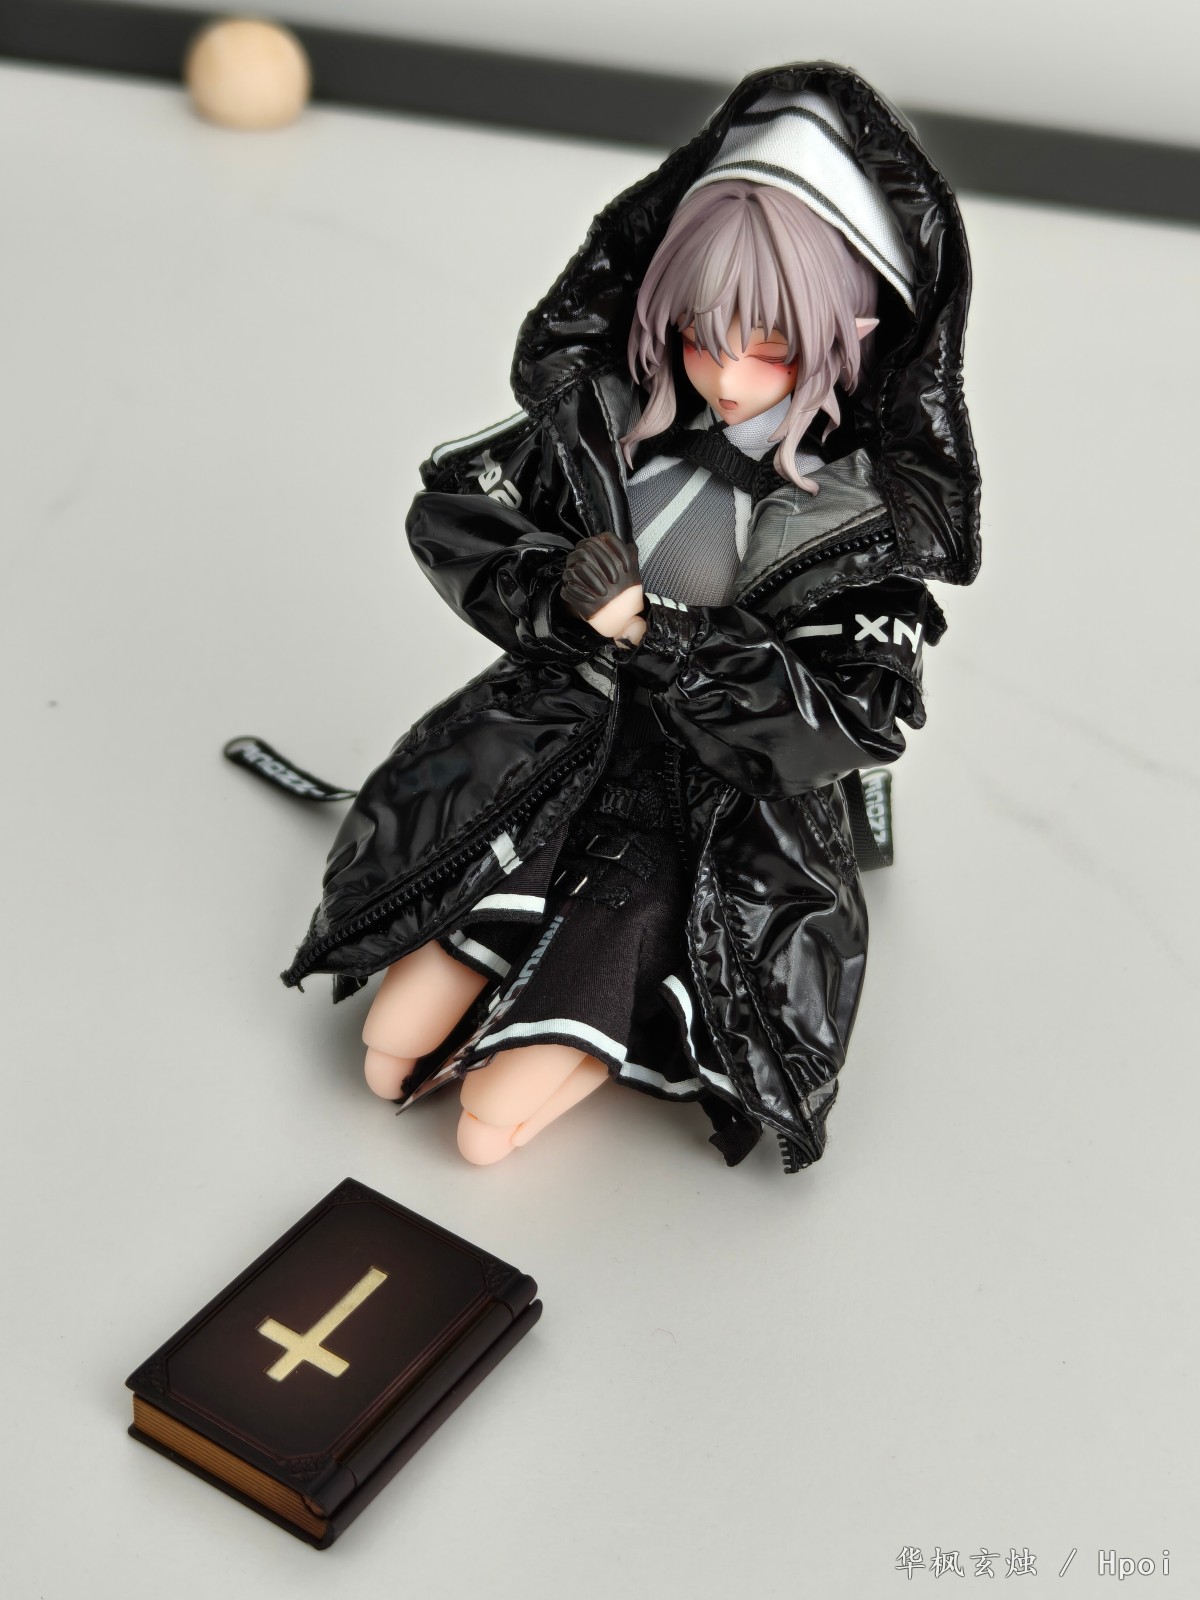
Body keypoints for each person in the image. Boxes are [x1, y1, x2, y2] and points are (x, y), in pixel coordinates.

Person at [283, 65, 981, 1174]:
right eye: (704, 334)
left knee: (525, 1066)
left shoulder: (854, 526)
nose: (729, 374)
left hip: (703, 807)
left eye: (771, 345)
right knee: (391, 1031)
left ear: (851, 334)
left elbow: (853, 714)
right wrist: (553, 587)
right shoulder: (608, 429)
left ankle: (573, 1025)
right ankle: (467, 966)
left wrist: (665, 638)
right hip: (551, 740)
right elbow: (454, 518)